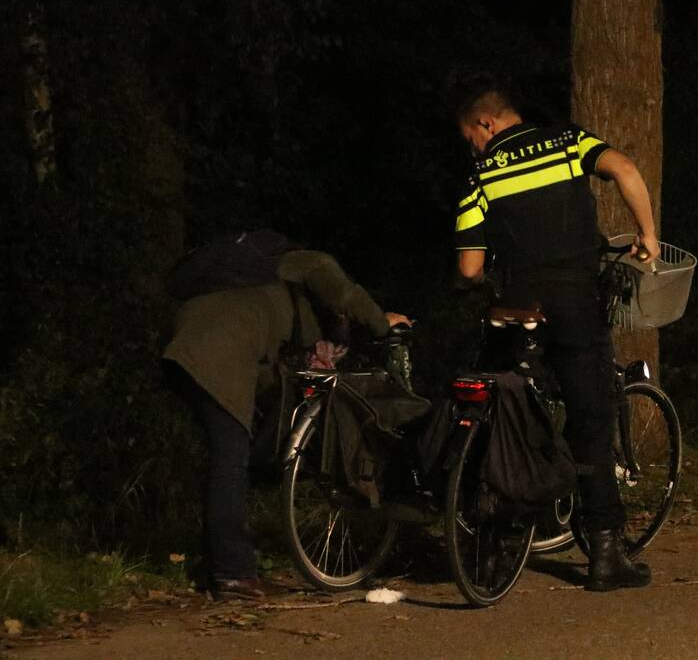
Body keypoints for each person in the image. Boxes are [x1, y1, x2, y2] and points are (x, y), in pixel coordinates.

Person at [451, 76, 660, 592]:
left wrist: (471, 276)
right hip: (575, 303)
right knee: (590, 417)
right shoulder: (569, 141)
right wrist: (647, 235)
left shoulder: (481, 176)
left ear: (487, 123)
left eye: (469, 137)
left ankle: (498, 548)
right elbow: (626, 169)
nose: (472, 146)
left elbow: (472, 268)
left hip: (516, 309)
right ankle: (606, 555)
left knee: (509, 417)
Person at [163, 246, 409, 599]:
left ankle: (216, 564)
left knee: (224, 456)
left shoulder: (256, 284)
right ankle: (233, 574)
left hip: (182, 345)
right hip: (215, 349)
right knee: (229, 461)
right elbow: (346, 294)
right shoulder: (304, 263)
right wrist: (381, 324)